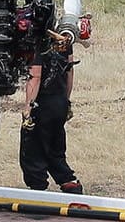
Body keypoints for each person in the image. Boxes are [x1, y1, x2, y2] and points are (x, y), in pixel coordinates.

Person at [20, 41, 82, 194]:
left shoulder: (37, 41)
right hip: (59, 101)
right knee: (55, 149)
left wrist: (28, 107)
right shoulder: (64, 38)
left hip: (42, 103)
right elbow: (69, 70)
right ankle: (69, 182)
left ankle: (38, 189)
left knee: (32, 149)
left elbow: (36, 76)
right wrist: (66, 100)